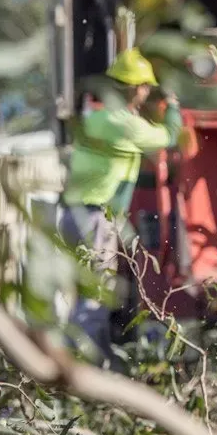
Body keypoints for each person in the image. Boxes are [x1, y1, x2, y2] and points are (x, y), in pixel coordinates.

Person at [59, 46, 182, 367]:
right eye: (146, 87)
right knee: (95, 298)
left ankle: (96, 359)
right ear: (137, 89)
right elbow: (169, 136)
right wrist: (173, 105)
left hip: (72, 214)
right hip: (94, 219)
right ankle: (77, 369)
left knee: (88, 293)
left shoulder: (98, 118)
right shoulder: (125, 124)